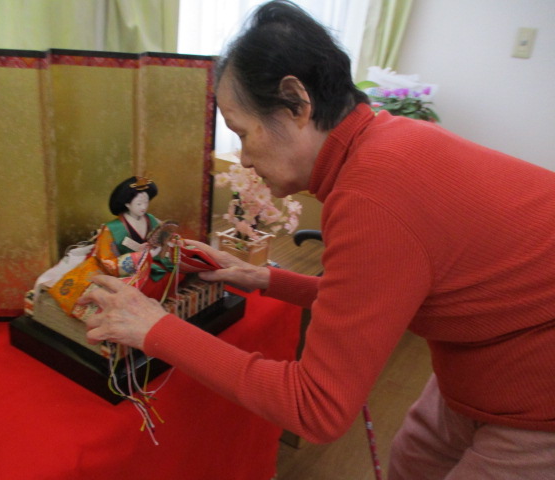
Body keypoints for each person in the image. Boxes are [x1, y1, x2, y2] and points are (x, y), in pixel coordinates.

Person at [79, 1, 555, 478]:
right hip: (474, 368)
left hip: (536, 394)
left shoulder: (374, 192)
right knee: (412, 461)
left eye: (243, 134)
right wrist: (264, 278)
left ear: (296, 103)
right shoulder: (385, 144)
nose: (243, 159)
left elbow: (316, 407)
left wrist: (155, 329)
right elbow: (374, 296)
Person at [49, 176, 177, 318]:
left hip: (147, 265)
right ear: (127, 204)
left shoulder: (150, 219)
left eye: (146, 202)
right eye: (139, 203)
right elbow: (107, 261)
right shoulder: (111, 229)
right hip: (119, 271)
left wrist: (163, 246)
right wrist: (142, 256)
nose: (143, 207)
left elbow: (162, 237)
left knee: (174, 272)